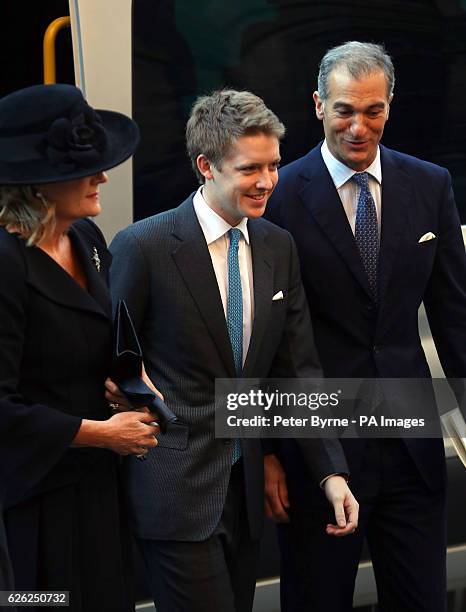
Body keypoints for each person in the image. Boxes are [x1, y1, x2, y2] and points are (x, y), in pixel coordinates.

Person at [108, 89, 359, 612]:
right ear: (206, 166)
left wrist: (330, 473)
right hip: (175, 495)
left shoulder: (276, 246)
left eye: (273, 165)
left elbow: (297, 373)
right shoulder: (144, 246)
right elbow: (110, 365)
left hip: (244, 501)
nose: (267, 181)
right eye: (250, 169)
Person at [265, 41, 466, 611]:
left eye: (372, 110)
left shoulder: (431, 185)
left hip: (410, 451)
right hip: (319, 455)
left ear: (390, 107)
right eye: (344, 110)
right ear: (318, 106)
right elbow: (263, 343)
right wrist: (267, 454)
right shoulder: (277, 195)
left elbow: (455, 319)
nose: (359, 126)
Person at [0, 84, 160, 612]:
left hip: (96, 491)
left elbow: (102, 339)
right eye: (87, 167)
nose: (103, 177)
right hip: (30, 504)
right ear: (37, 184)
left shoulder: (87, 237)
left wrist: (127, 386)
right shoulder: (6, 263)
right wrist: (98, 433)